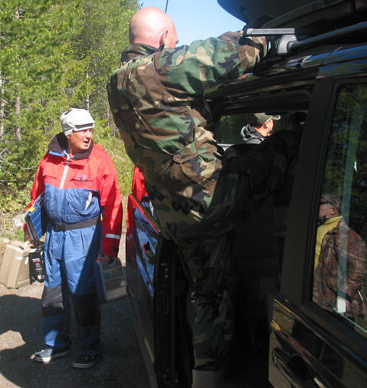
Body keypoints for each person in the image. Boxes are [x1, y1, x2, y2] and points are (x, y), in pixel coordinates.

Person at [107, 6, 300, 387]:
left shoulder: (116, 82)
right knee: (285, 146)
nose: (173, 47)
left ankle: (205, 378)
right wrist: (268, 38)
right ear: (163, 40)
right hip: (214, 200)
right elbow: (228, 55)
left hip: (176, 213)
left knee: (210, 293)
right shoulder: (158, 69)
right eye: (173, 42)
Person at [27, 108, 123, 369]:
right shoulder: (50, 159)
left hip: (84, 237)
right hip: (55, 237)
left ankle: (90, 347)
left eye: (91, 129)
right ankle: (58, 344)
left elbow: (113, 204)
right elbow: (37, 196)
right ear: (68, 133)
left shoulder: (100, 160)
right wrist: (32, 226)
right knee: (53, 294)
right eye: (83, 130)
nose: (89, 135)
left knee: (83, 295)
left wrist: (110, 246)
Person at [313, 194, 367, 319]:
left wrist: (344, 295)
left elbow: (358, 269)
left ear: (333, 210)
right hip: (318, 298)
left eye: (321, 203)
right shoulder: (321, 228)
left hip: (334, 303)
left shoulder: (344, 234)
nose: (317, 206)